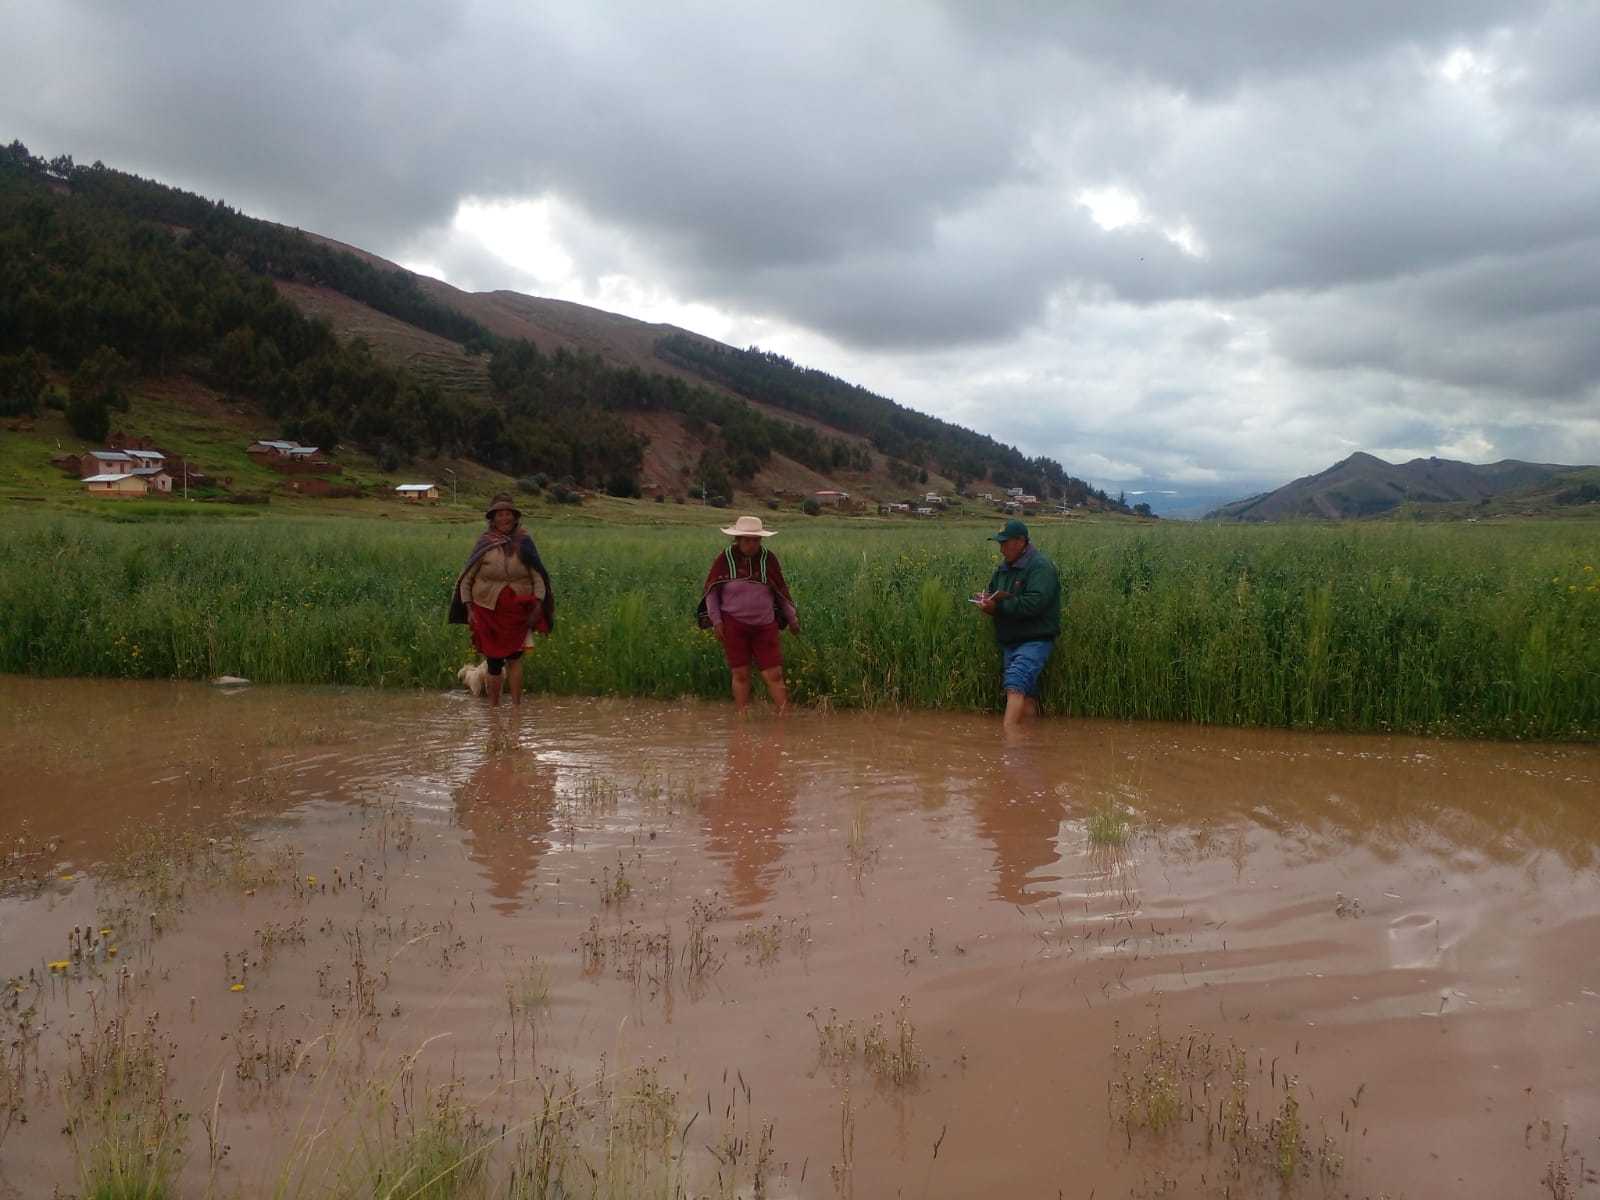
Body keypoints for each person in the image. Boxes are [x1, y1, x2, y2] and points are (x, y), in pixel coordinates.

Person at [448, 493, 555, 707]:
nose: (504, 518)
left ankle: (516, 707)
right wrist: (469, 609)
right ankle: (493, 709)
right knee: (494, 662)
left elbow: (538, 577)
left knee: (515, 659)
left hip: (518, 613)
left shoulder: (525, 542)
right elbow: (467, 580)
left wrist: (538, 606)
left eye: (508, 514)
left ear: (515, 518)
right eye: (499, 515)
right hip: (487, 610)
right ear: (492, 519)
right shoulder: (485, 542)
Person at [697, 515, 800, 715]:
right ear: (737, 539)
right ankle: (742, 717)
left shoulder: (768, 559)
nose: (751, 544)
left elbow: (780, 592)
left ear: (761, 540)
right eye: (746, 540)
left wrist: (793, 619)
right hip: (733, 624)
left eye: (755, 540)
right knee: (740, 673)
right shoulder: (724, 559)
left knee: (774, 673)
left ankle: (785, 716)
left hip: (765, 625)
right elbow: (712, 592)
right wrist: (716, 621)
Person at [974, 518, 1060, 728]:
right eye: (1000, 543)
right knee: (1026, 694)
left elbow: (1035, 603)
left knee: (1014, 683)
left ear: (1021, 541)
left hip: (1034, 639)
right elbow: (995, 595)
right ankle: (1028, 742)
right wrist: (987, 602)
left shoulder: (1041, 567)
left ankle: (1008, 741)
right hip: (1010, 641)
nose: (1002, 549)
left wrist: (999, 607)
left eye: (1005, 543)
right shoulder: (1002, 570)